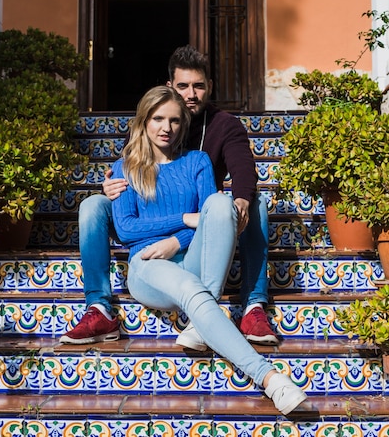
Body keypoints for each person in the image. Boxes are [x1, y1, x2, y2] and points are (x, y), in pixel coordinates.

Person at [102, 85, 307, 416]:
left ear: (184, 124)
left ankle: (200, 323)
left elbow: (212, 219)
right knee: (193, 291)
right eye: (157, 119)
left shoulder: (197, 162)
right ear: (143, 122)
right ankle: (270, 379)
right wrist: (184, 221)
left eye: (174, 121)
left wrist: (177, 241)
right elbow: (126, 229)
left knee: (219, 201)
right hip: (148, 264)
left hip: (191, 257)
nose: (166, 128)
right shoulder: (125, 168)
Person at [60, 45, 276, 348]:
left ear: (209, 87)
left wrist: (237, 203)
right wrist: (110, 187)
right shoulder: (155, 118)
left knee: (255, 203)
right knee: (92, 206)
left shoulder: (224, 126)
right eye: (183, 86)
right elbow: (130, 168)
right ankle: (100, 307)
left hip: (203, 217)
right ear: (169, 86)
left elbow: (243, 171)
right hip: (166, 217)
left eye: (198, 86)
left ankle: (253, 304)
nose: (191, 94)